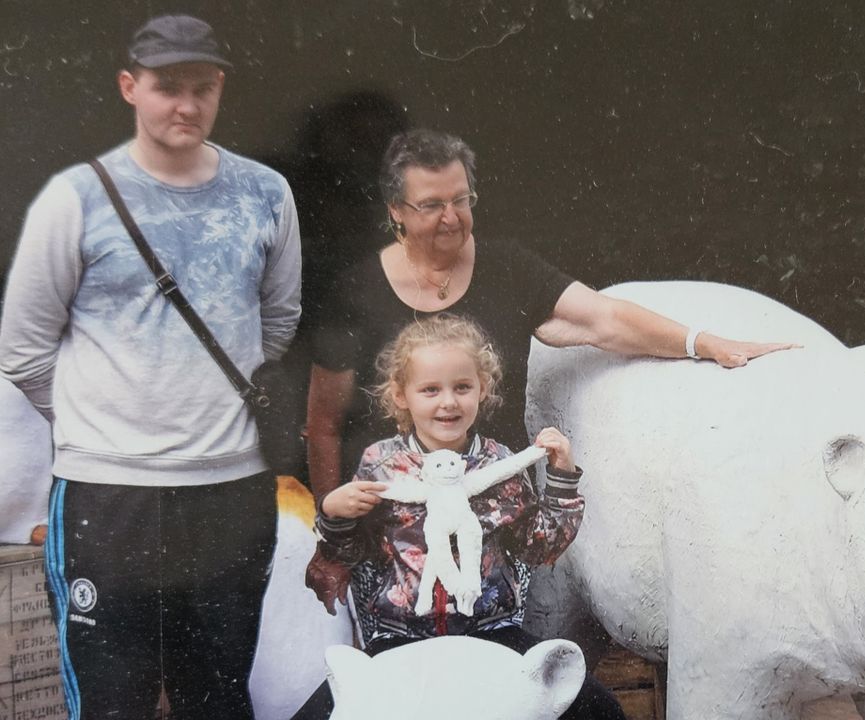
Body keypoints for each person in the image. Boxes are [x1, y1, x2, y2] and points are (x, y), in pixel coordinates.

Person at [0, 15, 301, 719]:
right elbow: (23, 347)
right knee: (112, 703)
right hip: (109, 499)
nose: (186, 105)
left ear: (220, 88)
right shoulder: (74, 199)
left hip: (231, 493)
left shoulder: (266, 194)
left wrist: (204, 416)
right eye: (168, 87)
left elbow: (278, 322)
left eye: (202, 88)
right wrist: (100, 424)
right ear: (130, 87)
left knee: (219, 698)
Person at [306, 127, 794, 502]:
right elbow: (324, 424)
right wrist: (330, 536)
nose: (451, 218)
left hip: (499, 516)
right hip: (395, 529)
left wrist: (704, 344)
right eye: (431, 205)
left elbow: (605, 319)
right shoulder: (356, 290)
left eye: (460, 200)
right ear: (396, 210)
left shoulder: (509, 268)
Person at [293, 315, 624, 719]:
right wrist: (334, 515)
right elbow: (349, 554)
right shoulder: (381, 464)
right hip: (399, 638)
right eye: (430, 389)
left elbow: (541, 548)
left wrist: (561, 479)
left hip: (492, 633)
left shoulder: (500, 463)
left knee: (600, 710)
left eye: (462, 387)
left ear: (482, 390)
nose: (448, 402)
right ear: (401, 395)